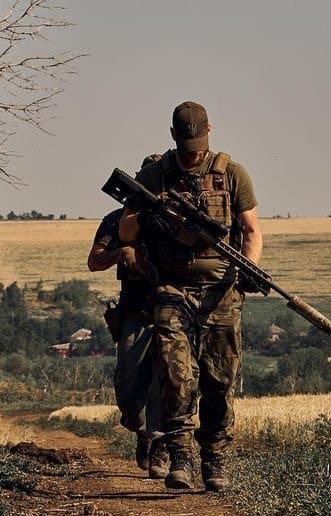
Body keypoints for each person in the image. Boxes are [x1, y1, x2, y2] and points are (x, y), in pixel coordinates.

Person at [118, 101, 263, 491]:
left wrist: (249, 267)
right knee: (176, 376)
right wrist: (151, 215)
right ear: (173, 137)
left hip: (221, 294)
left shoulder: (232, 174)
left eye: (199, 144)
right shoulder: (155, 175)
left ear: (211, 131)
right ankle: (180, 455)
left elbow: (251, 230)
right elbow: (127, 232)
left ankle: (214, 459)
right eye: (187, 144)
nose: (194, 152)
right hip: (171, 290)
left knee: (219, 380)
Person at [86, 196, 169, 480]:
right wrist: (121, 252)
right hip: (135, 313)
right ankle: (143, 430)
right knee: (130, 391)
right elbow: (94, 261)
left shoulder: (178, 218)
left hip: (172, 311)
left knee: (168, 380)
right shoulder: (118, 220)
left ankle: (160, 441)